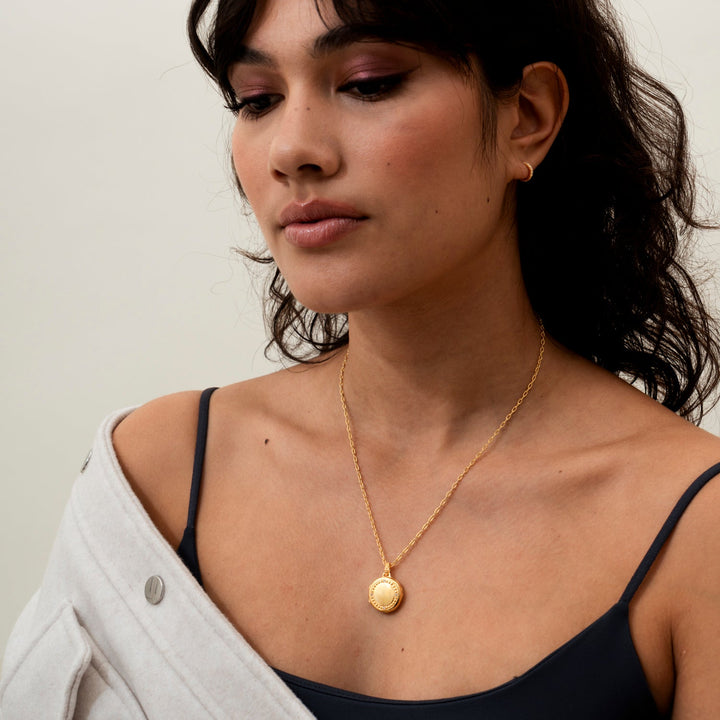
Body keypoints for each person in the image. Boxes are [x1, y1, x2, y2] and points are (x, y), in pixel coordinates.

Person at [2, 0, 720, 717]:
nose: (292, 149)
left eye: (368, 84)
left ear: (526, 117)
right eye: (257, 100)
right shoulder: (155, 475)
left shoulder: (695, 531)